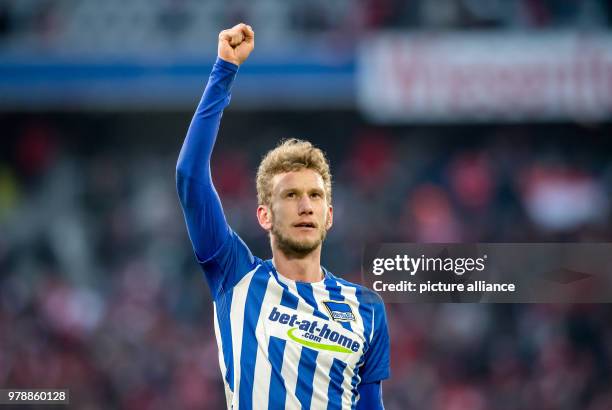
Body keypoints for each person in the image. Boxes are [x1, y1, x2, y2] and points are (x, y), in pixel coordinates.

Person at [176, 23, 390, 410]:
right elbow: (190, 176)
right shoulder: (236, 276)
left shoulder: (367, 309)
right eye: (290, 195)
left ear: (329, 215)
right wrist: (224, 70)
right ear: (264, 215)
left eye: (315, 196)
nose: (305, 205)